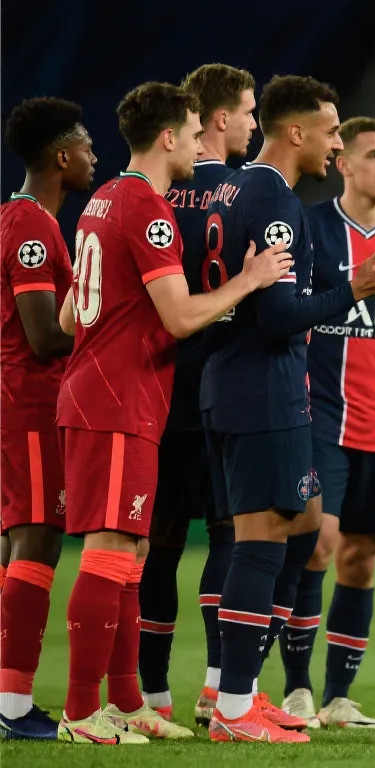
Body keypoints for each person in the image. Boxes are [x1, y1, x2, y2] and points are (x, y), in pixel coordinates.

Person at [54, 80, 293, 746]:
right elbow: (182, 317)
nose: (197, 146)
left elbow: (73, 315)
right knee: (111, 550)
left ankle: (129, 703)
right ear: (167, 137)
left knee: (133, 551)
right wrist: (249, 280)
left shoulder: (103, 199)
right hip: (116, 400)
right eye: (191, 135)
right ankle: (81, 712)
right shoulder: (147, 210)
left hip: (106, 393)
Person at [199, 75, 375, 743]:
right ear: (296, 132)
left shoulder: (233, 188)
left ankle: (245, 694)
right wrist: (356, 288)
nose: (337, 143)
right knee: (261, 545)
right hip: (262, 390)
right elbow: (278, 317)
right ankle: (234, 706)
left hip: (236, 384)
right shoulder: (275, 199)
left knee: (301, 527)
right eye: (331, 131)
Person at [278, 116, 375, 729]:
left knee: (361, 557)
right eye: (374, 155)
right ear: (343, 164)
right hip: (320, 417)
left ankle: (339, 697)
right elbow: (291, 314)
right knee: (318, 543)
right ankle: (296, 689)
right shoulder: (312, 229)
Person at [136, 62, 257, 724]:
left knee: (158, 545)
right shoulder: (242, 194)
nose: (253, 126)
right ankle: (217, 689)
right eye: (248, 113)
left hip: (156, 387)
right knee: (228, 537)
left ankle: (151, 695)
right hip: (223, 387)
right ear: (219, 118)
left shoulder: (151, 195)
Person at [0, 96, 95, 740]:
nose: (94, 155)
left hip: (20, 402)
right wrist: (105, 321)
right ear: (61, 157)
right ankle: (12, 706)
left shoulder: (22, 218)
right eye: (86, 145)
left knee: (16, 544)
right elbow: (42, 337)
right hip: (29, 403)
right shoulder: (33, 227)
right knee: (36, 539)